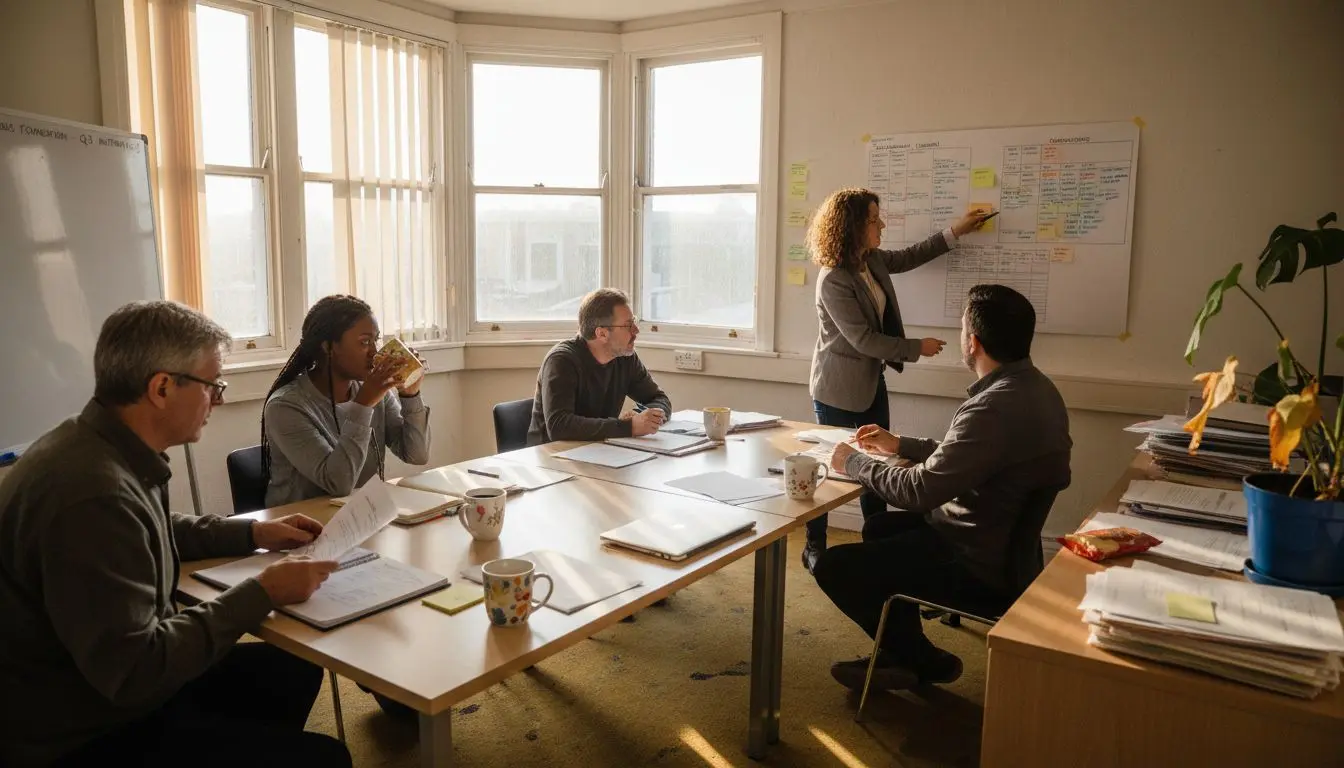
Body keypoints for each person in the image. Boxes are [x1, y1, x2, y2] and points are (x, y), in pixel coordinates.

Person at [0, 300, 350, 767]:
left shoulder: (96, 446)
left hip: (99, 690)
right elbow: (136, 672)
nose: (219, 399)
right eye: (213, 385)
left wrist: (253, 534)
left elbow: (154, 528)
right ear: (162, 388)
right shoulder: (92, 494)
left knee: (293, 666)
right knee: (324, 759)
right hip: (83, 729)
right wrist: (260, 592)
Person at [813, 284, 1071, 692]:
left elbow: (919, 491)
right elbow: (970, 456)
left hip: (974, 560)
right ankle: (901, 652)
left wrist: (854, 462)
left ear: (973, 342)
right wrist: (901, 445)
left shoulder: (991, 407)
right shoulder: (1037, 389)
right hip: (1003, 547)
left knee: (834, 565)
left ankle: (920, 660)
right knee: (883, 530)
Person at [803, 187, 992, 572]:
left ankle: (876, 540)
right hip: (838, 387)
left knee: (879, 464)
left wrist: (956, 231)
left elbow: (910, 257)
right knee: (831, 469)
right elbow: (862, 339)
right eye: (874, 220)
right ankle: (814, 546)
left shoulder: (870, 261)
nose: (882, 225)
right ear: (853, 226)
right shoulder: (834, 279)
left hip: (871, 382)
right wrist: (914, 347)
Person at [260, 294, 431, 717]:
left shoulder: (368, 389)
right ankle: (377, 665)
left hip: (365, 526)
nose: (376, 352)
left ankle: (388, 668)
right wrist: (365, 404)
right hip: (306, 539)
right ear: (328, 347)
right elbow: (337, 480)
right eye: (364, 342)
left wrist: (410, 395)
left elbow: (416, 454)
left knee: (431, 575)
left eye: (376, 340)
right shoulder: (285, 406)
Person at [527, 287, 672, 445]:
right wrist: (628, 427)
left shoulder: (625, 358)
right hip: (550, 459)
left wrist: (644, 417)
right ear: (602, 334)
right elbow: (559, 426)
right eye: (628, 325)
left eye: (634, 322)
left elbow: (658, 398)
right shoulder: (561, 360)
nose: (636, 331)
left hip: (598, 451)